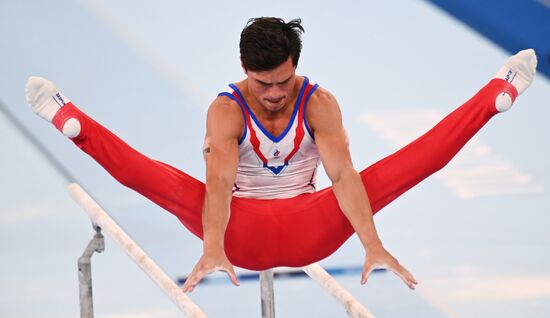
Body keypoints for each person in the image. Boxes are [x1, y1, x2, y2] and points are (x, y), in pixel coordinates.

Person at [25, 17, 536, 293]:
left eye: (284, 81)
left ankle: (493, 96)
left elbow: (343, 176)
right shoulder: (225, 112)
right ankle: (73, 122)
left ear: (298, 67)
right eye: (263, 83)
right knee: (168, 183)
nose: (274, 94)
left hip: (314, 228)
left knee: (398, 169)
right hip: (238, 235)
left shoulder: (319, 103)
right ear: (244, 69)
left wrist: (372, 244)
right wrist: (214, 247)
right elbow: (221, 185)